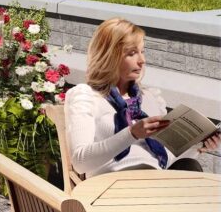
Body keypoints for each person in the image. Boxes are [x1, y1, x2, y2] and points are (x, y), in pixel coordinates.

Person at [65, 17, 220, 179]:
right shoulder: (87, 96)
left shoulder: (150, 98)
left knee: (189, 166)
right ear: (109, 56)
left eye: (142, 51)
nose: (142, 60)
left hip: (155, 184)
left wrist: (198, 147)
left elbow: (166, 161)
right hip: (112, 187)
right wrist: (132, 133)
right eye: (132, 53)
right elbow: (80, 162)